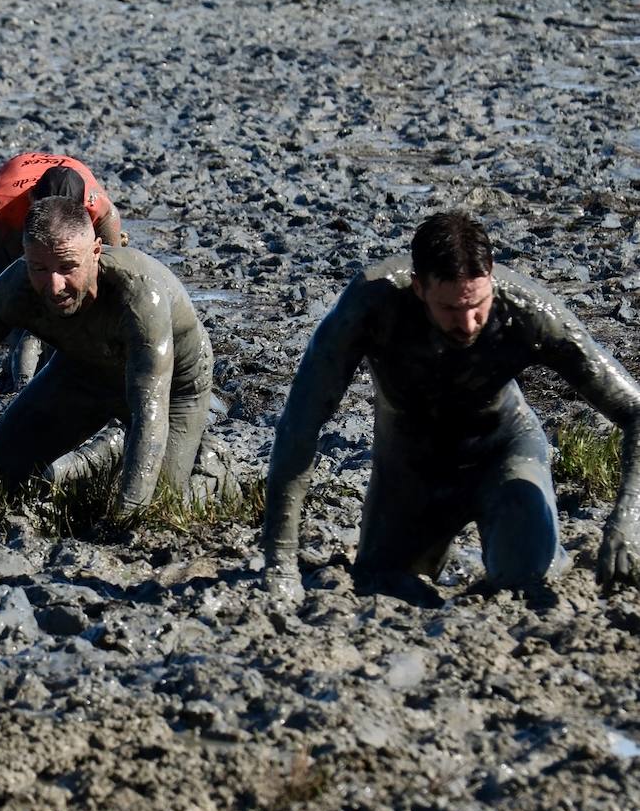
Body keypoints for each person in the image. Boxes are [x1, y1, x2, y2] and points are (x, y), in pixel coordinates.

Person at [263, 211, 640, 606]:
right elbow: (299, 426)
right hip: (410, 466)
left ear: (491, 277)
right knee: (381, 584)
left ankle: (527, 543)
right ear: (418, 287)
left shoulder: (529, 313)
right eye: (449, 309)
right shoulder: (371, 306)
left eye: (478, 304)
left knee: (526, 579)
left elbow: (633, 410)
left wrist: (626, 519)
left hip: (502, 450)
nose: (468, 323)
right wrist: (280, 562)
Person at [0, 196, 218, 517]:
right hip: (84, 371)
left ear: (96, 252)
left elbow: (151, 409)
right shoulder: (14, 289)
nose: (54, 286)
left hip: (173, 388)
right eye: (39, 268)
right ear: (25, 257)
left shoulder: (138, 295)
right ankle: (109, 453)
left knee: (156, 510)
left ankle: (216, 470)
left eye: (68, 267)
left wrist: (126, 515)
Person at [0, 153, 126, 388]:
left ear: (83, 210)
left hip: (77, 212)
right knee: (10, 292)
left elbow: (113, 285)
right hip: (12, 221)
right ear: (32, 198)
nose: (54, 230)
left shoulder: (100, 209)